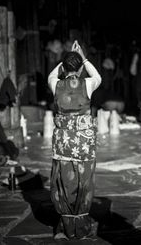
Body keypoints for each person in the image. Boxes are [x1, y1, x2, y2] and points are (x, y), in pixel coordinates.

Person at [47, 40, 101, 240]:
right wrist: (83, 58)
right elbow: (97, 76)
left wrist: (66, 59)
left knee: (63, 181)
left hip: (62, 142)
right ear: (79, 70)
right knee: (83, 182)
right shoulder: (87, 84)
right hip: (84, 144)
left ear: (64, 68)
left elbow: (52, 75)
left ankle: (65, 225)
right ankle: (82, 225)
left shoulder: (56, 84)